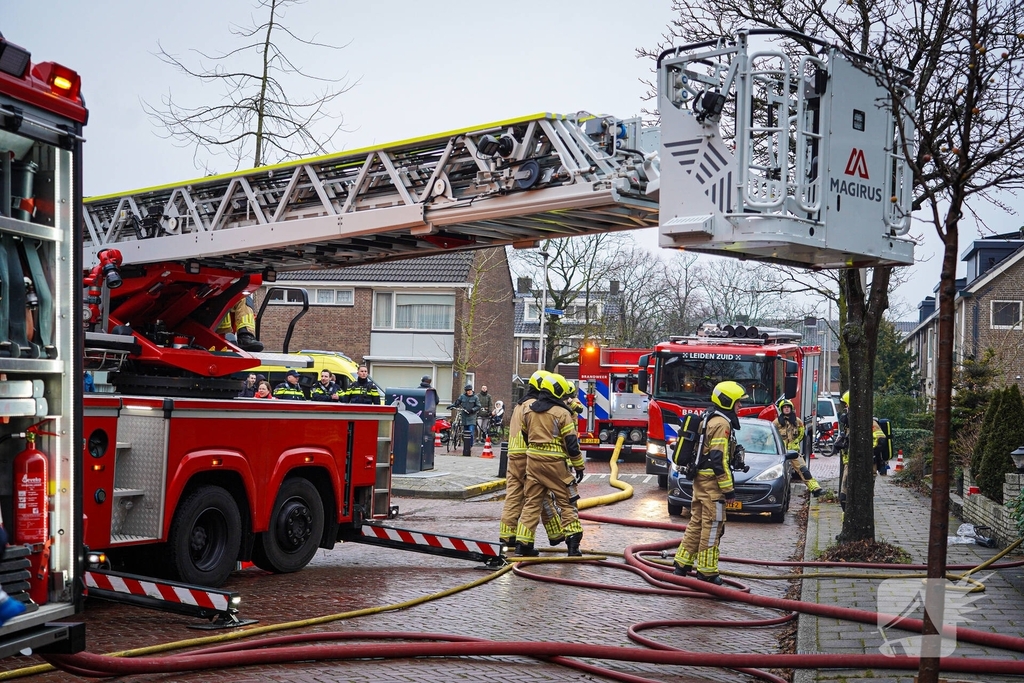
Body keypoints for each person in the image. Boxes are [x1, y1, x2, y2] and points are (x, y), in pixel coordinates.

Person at [672, 380, 747, 585]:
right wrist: (728, 489)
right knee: (713, 525)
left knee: (697, 522)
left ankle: (682, 563)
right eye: (738, 402)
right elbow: (718, 459)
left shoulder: (709, 418)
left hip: (700, 481)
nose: (740, 406)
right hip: (712, 483)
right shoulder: (721, 424)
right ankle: (707, 571)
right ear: (727, 401)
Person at [515, 373, 585, 558]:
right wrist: (579, 467)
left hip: (533, 463)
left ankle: (523, 544)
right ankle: (573, 545)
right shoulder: (562, 413)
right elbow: (571, 444)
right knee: (567, 501)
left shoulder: (529, 410)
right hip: (555, 466)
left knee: (532, 503)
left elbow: (524, 435)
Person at [499, 370, 565, 549]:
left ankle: (507, 536)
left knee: (513, 497)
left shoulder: (519, 405)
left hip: (512, 457)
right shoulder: (534, 405)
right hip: (528, 456)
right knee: (537, 497)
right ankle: (548, 535)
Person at [832, 391, 886, 510]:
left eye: (846, 405)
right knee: (844, 497)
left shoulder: (870, 423)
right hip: (849, 463)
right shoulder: (849, 423)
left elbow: (881, 440)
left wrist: (868, 454)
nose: (845, 408)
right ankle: (846, 521)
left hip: (867, 465)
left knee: (864, 497)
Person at [774, 399, 823, 497]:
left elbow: (801, 433)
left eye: (788, 407)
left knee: (804, 470)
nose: (787, 409)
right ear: (781, 409)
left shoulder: (798, 421)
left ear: (791, 408)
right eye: (785, 407)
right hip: (780, 453)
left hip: (794, 452)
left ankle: (815, 488)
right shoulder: (776, 422)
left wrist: (796, 441)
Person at [449, 384, 481, 455]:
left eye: (470, 391)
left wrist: (472, 410)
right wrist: (452, 405)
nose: (469, 392)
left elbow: (478, 406)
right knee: (465, 432)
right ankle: (466, 445)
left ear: (472, 390)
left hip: (471, 416)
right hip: (464, 416)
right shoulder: (462, 396)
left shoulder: (475, 397)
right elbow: (457, 402)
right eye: (467, 391)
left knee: (471, 431)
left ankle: (470, 445)